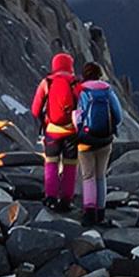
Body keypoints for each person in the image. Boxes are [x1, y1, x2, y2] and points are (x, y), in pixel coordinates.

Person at [70, 60, 121, 227]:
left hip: (86, 140)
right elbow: (118, 115)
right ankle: (101, 212)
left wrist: (79, 131)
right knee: (101, 176)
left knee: (88, 176)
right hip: (105, 140)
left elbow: (77, 115)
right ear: (99, 74)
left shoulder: (82, 91)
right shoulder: (108, 91)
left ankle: (89, 212)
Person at [31, 51, 81, 214]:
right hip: (71, 131)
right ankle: (66, 199)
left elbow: (35, 108)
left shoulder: (47, 82)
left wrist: (45, 121)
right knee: (70, 165)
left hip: (52, 130)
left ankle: (50, 196)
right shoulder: (75, 83)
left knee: (51, 163)